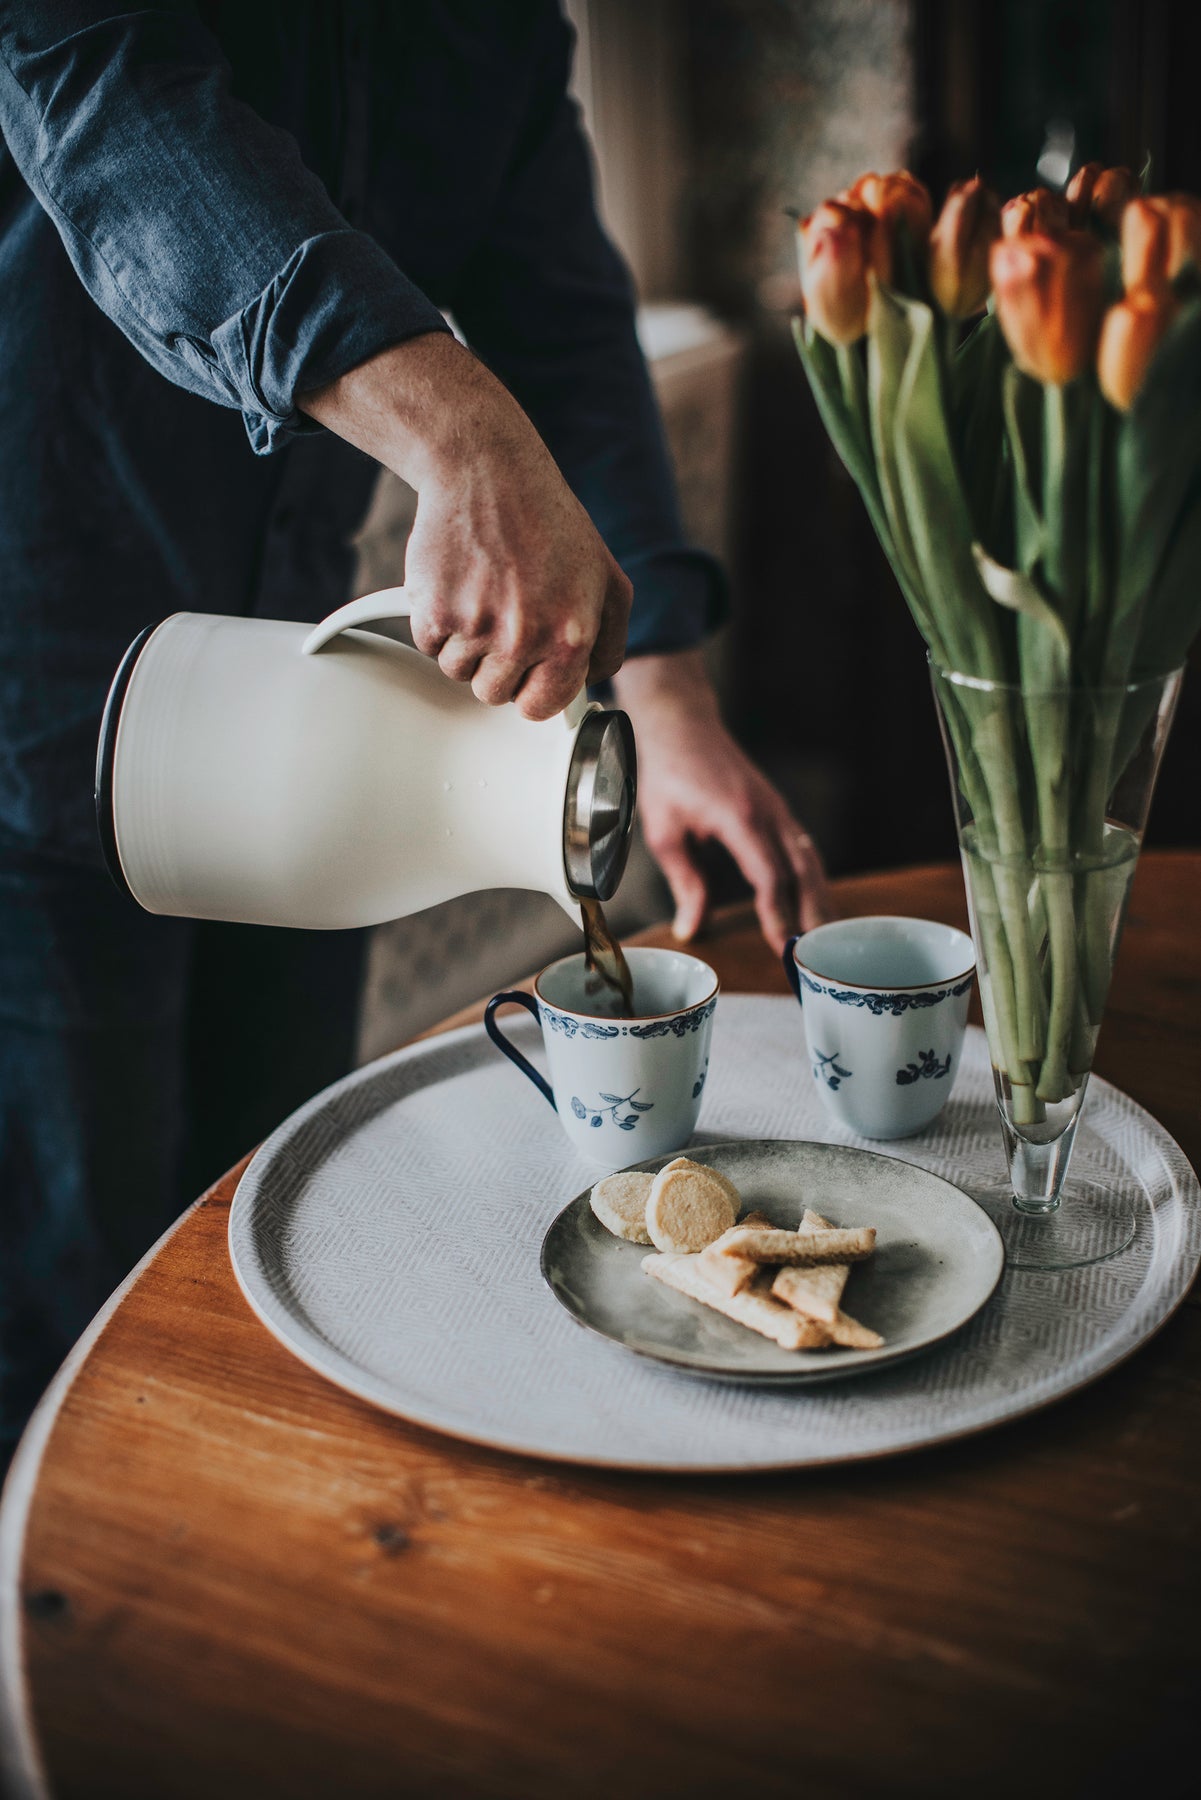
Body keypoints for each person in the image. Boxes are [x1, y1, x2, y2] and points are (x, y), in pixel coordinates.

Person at [0, 1, 828, 1452]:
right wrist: (456, 429)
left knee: (274, 1220)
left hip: (294, 726)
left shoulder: (497, 30)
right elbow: (115, 114)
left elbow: (561, 320)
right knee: (81, 1310)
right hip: (35, 699)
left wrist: (668, 688)